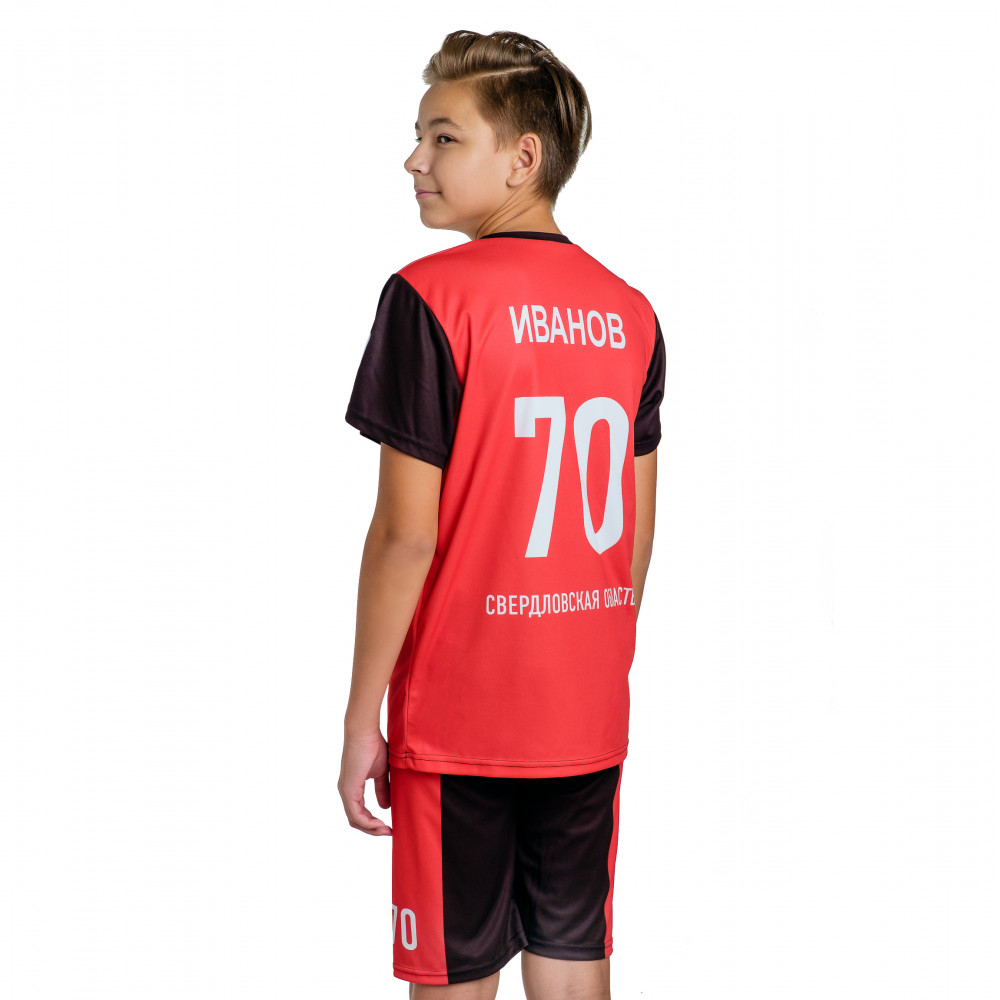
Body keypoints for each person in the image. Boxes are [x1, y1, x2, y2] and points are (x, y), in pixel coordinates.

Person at [339, 28, 665, 1000]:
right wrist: (585, 665)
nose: (414, 160)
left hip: (461, 715)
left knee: (454, 973)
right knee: (573, 959)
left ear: (523, 157)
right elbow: (635, 537)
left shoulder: (429, 298)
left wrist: (362, 717)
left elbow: (406, 536)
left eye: (443, 137)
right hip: (584, 708)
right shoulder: (631, 311)